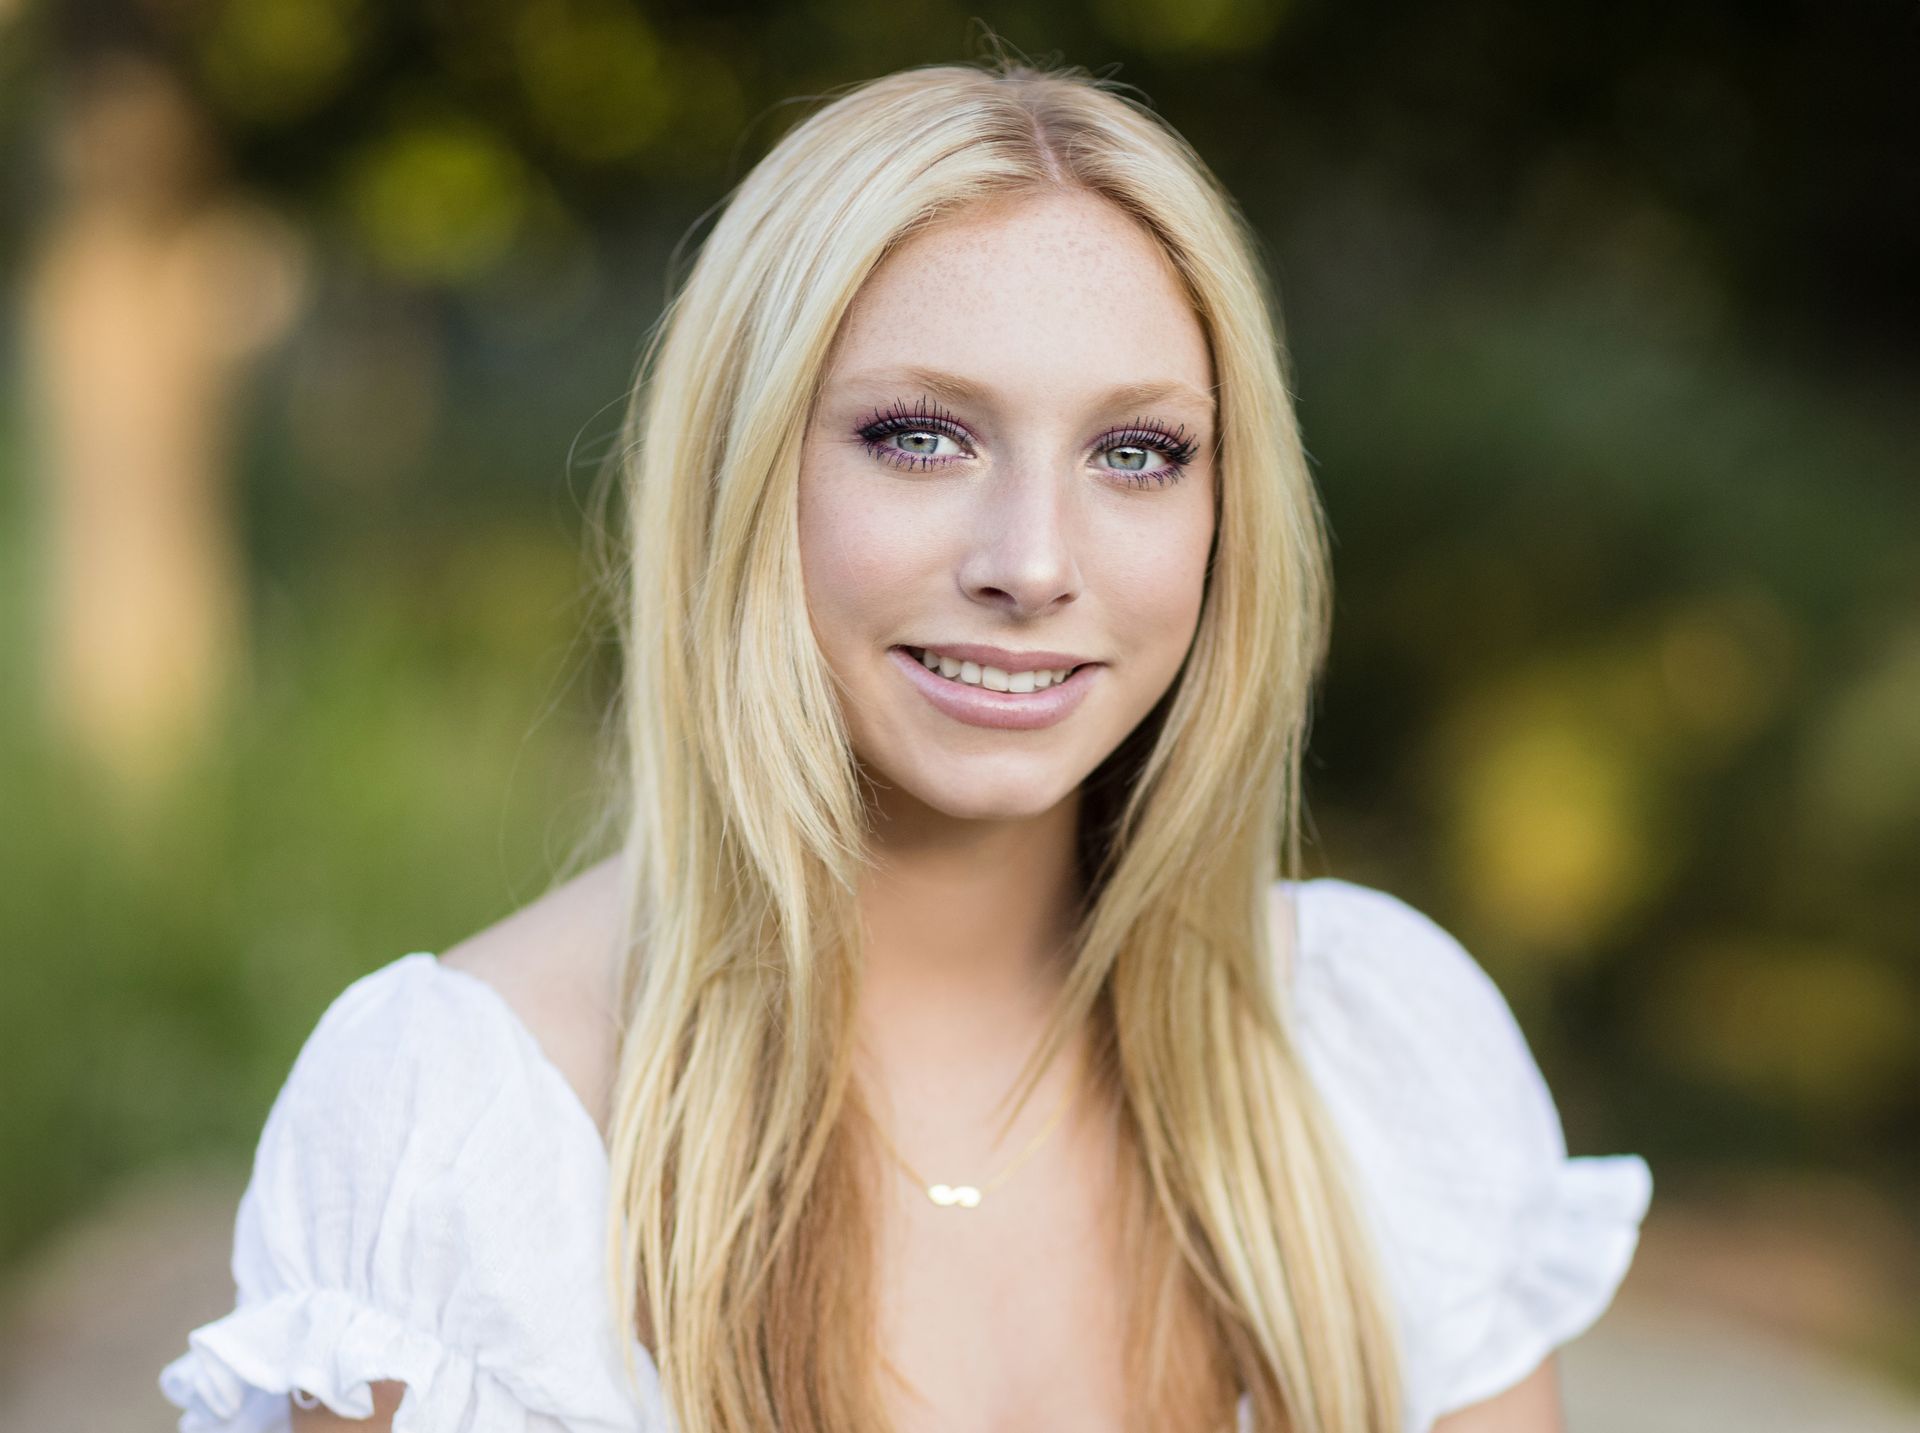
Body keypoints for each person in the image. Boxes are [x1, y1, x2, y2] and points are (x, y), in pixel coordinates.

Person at [158, 56, 1652, 1433]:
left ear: (1223, 511)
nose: (1033, 560)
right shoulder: (471, 1139)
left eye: (1136, 453)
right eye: (921, 435)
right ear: (743, 472)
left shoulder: (1373, 1059)